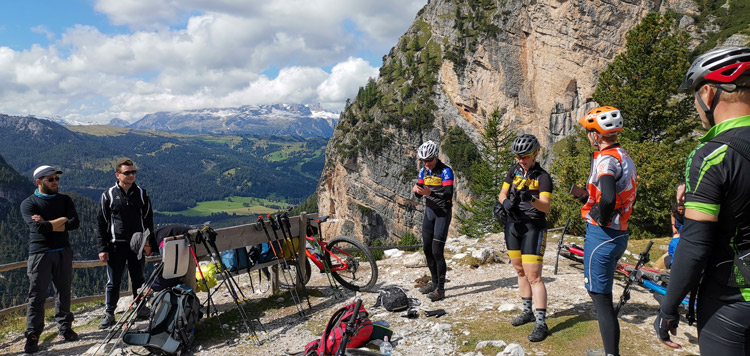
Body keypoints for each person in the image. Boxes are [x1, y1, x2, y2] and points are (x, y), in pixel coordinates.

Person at [655, 46, 750, 354]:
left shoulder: (712, 156)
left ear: (708, 93)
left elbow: (695, 245)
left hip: (732, 301)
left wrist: (669, 307)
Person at [575, 106, 637, 356]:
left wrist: (602, 214)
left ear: (596, 135)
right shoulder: (623, 154)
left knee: (599, 296)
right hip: (619, 233)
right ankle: (610, 350)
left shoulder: (606, 159)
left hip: (602, 236)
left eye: (589, 132)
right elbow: (616, 193)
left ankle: (611, 353)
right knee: (603, 294)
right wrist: (590, 200)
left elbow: (609, 195)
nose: (589, 136)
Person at [497, 134, 553, 342]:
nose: (522, 159)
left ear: (535, 153)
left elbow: (546, 207)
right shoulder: (513, 171)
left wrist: (531, 198)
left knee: (534, 276)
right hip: (513, 226)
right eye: (519, 156)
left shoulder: (543, 177)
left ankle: (541, 322)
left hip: (533, 227)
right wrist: (505, 203)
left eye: (526, 156)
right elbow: (502, 194)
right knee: (519, 270)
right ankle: (527, 311)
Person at [20, 165, 80, 353]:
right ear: (39, 182)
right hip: (40, 253)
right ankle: (33, 334)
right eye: (50, 179)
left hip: (63, 251)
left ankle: (65, 328)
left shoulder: (65, 199)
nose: (55, 182)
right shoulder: (28, 204)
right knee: (37, 295)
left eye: (56, 179)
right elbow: (39, 229)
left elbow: (75, 223)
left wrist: (48, 223)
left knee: (64, 291)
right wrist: (62, 219)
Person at [97, 159, 155, 329]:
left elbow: (148, 220)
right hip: (116, 245)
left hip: (138, 244)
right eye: (127, 173)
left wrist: (149, 243)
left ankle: (141, 308)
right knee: (113, 281)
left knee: (139, 279)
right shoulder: (108, 195)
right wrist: (102, 248)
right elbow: (101, 223)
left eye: (133, 172)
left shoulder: (142, 194)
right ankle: (109, 313)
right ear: (118, 175)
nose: (131, 175)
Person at [412, 140, 454, 302]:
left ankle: (441, 289)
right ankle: (434, 282)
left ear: (436, 157)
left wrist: (430, 193)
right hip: (429, 213)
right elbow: (419, 192)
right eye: (423, 161)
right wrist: (416, 191)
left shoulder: (446, 172)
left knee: (437, 251)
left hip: (442, 213)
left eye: (429, 160)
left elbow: (448, 194)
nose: (426, 163)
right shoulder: (424, 171)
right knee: (427, 250)